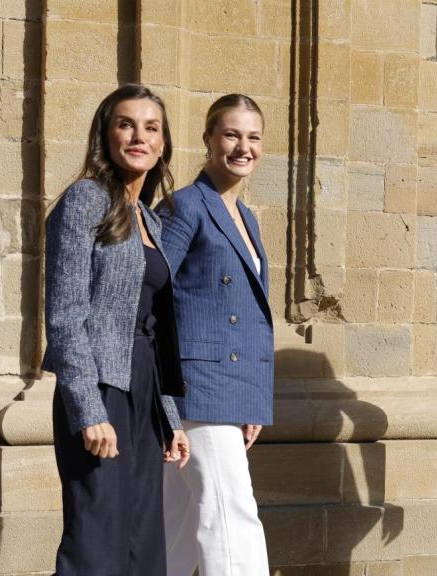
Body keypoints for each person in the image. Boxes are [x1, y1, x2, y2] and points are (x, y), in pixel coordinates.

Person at [42, 83, 191, 575]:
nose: (138, 136)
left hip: (144, 387)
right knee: (96, 536)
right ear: (105, 135)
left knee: (143, 537)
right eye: (126, 124)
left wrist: (169, 416)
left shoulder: (149, 216)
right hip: (101, 385)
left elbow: (154, 323)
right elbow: (65, 315)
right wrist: (87, 409)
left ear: (163, 143)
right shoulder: (86, 200)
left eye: (151, 128)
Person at [159, 93, 273, 576]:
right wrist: (164, 398)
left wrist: (251, 402)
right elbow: (153, 293)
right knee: (231, 517)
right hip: (196, 388)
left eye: (253, 137)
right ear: (207, 139)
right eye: (230, 134)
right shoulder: (185, 206)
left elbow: (248, 316)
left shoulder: (245, 216)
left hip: (228, 390)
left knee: (180, 526)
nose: (242, 147)